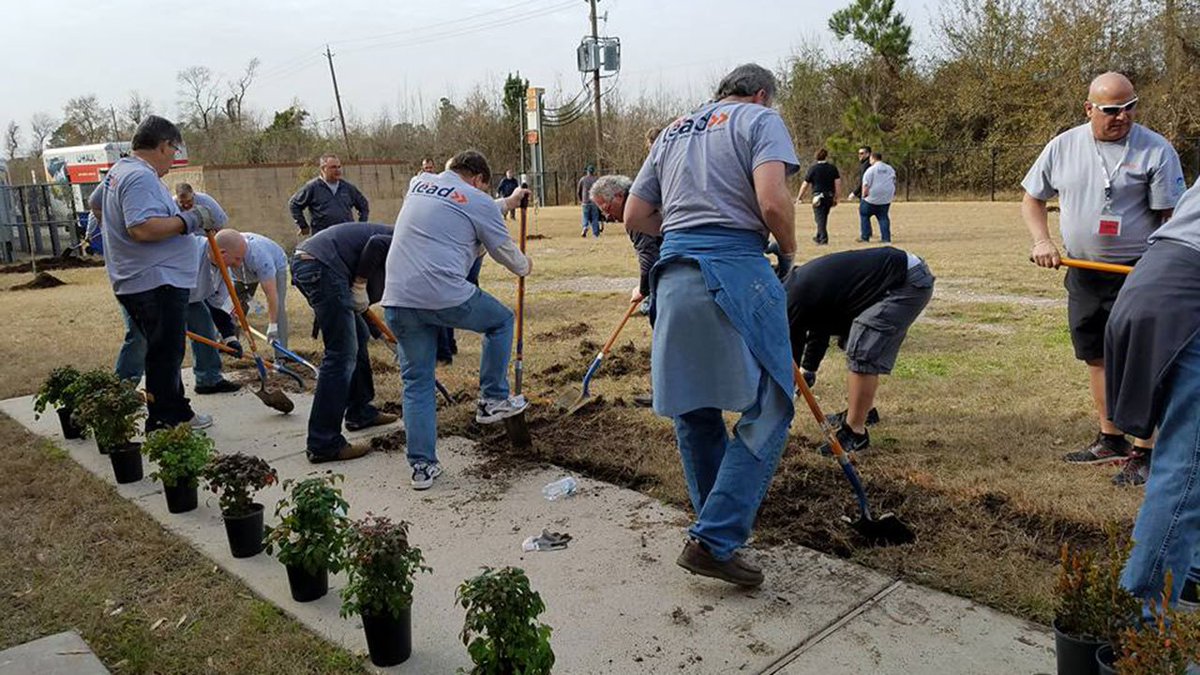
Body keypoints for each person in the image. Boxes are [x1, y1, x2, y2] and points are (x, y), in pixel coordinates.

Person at [625, 63, 798, 588]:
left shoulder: (676, 128)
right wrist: (787, 250)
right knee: (771, 400)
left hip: (672, 274)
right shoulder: (758, 120)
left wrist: (681, 231)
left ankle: (712, 534)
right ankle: (716, 538)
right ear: (762, 94)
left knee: (694, 407)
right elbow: (772, 199)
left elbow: (635, 214)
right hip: (734, 269)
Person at [1024, 71, 1185, 486]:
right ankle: (1110, 437)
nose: (1123, 116)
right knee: (1095, 353)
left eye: (1130, 107)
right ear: (1089, 108)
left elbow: (1172, 217)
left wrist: (1161, 267)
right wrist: (1042, 241)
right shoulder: (1063, 146)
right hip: (1083, 270)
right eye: (1112, 110)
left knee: (1141, 358)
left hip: (1138, 272)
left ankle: (1145, 450)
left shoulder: (1156, 150)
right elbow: (1033, 197)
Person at [382, 150, 533, 491]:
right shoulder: (477, 200)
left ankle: (422, 467)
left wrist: (508, 201)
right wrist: (525, 266)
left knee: (417, 382)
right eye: (484, 187)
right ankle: (492, 398)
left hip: (398, 299)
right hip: (442, 293)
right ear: (479, 179)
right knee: (501, 321)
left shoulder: (419, 183)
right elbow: (503, 250)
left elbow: (457, 203)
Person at [1105, 178, 1200, 610]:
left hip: (1156, 275)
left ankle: (1190, 571)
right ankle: (1142, 621)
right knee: (1188, 467)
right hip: (1186, 294)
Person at [99, 115, 218, 432]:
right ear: (164, 145)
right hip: (155, 281)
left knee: (165, 350)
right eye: (174, 150)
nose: (174, 159)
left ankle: (177, 409)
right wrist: (188, 221)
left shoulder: (119, 171)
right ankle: (165, 420)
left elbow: (98, 204)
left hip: (140, 278)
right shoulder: (140, 177)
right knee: (165, 353)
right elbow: (141, 228)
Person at [788, 248, 934, 454]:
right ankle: (863, 412)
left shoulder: (791, 301)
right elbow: (819, 327)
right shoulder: (795, 288)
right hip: (891, 278)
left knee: (862, 347)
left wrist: (780, 415)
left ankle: (855, 433)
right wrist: (808, 370)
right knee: (853, 342)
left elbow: (787, 365)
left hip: (906, 282)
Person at [291, 222, 399, 463]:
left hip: (317, 264)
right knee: (341, 355)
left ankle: (360, 412)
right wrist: (360, 284)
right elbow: (376, 244)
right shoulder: (413, 241)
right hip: (322, 266)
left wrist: (381, 335)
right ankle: (323, 443)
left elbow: (357, 303)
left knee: (358, 336)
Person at [591, 173, 659, 407]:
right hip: (675, 272)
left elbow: (649, 256)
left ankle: (662, 392)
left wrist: (643, 289)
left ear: (619, 196)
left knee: (662, 332)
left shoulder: (636, 212)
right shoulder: (647, 199)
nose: (606, 215)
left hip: (671, 278)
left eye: (606, 207)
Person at [231, 231, 291, 347]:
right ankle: (229, 342)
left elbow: (271, 295)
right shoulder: (220, 254)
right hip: (240, 270)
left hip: (275, 263)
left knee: (278, 307)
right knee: (234, 303)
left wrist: (273, 325)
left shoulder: (260, 257)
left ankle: (281, 353)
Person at [288, 154, 370, 236]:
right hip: (322, 237)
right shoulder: (312, 187)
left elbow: (364, 205)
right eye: (333, 167)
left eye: (339, 167)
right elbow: (294, 204)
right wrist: (303, 226)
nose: (337, 170)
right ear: (323, 169)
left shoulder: (347, 188)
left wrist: (361, 226)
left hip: (346, 236)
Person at [795, 149, 842, 245]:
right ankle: (818, 236)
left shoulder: (813, 169)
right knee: (823, 217)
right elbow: (837, 183)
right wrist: (837, 196)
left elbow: (805, 184)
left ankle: (823, 238)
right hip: (829, 196)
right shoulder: (832, 168)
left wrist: (799, 196)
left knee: (819, 218)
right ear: (826, 156)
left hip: (818, 197)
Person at [859, 152, 896, 242]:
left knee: (864, 214)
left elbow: (866, 184)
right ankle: (886, 238)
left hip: (872, 198)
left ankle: (865, 236)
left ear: (872, 158)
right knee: (883, 217)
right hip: (885, 198)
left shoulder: (871, 170)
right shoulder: (889, 168)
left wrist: (864, 195)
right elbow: (894, 180)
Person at [578, 165, 601, 237]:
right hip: (594, 201)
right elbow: (599, 191)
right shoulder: (597, 179)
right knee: (595, 218)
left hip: (585, 201)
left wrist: (581, 200)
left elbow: (579, 191)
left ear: (587, 171)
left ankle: (585, 226)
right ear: (593, 171)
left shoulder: (583, 179)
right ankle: (595, 233)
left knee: (585, 216)